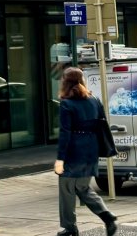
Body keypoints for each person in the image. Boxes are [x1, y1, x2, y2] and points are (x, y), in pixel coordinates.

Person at [54, 67, 117, 236]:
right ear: (82, 81)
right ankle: (107, 216)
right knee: (82, 188)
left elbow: (65, 133)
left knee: (67, 189)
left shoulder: (66, 103)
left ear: (65, 82)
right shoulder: (94, 99)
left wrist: (60, 159)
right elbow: (102, 124)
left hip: (74, 152)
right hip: (91, 150)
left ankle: (70, 228)